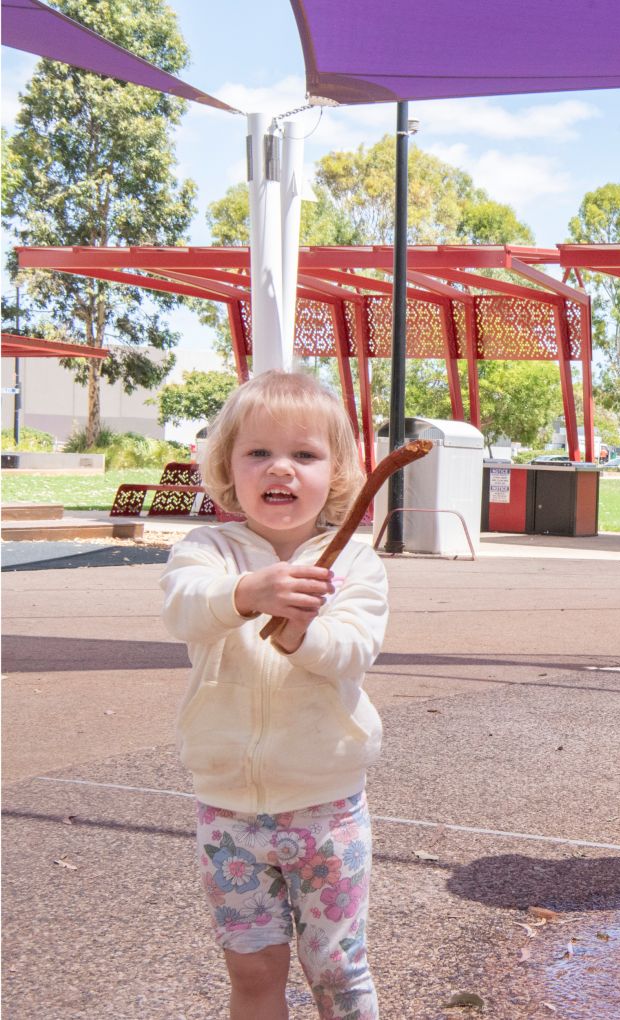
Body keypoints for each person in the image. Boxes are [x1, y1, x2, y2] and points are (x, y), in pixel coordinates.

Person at [161, 371, 388, 1020]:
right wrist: (246, 593)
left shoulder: (356, 565)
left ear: (338, 472)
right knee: (254, 971)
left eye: (304, 454)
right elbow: (182, 611)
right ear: (228, 467)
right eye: (258, 452)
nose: (279, 468)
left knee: (338, 971)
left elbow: (354, 649)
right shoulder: (206, 551)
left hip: (327, 807)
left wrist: (301, 632)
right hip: (227, 808)